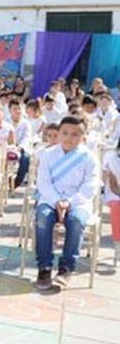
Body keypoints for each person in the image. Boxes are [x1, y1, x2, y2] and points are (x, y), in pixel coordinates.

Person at [33, 116, 99, 290]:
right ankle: (44, 266)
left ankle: (66, 268)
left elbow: (90, 186)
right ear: (58, 134)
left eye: (75, 134)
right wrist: (57, 201)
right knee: (42, 218)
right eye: (65, 133)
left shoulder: (89, 157)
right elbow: (43, 182)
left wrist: (68, 203)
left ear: (83, 137)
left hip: (77, 202)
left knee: (76, 221)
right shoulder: (48, 154)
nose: (69, 138)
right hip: (50, 199)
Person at [103, 136, 120, 259]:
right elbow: (113, 185)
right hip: (115, 194)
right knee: (117, 207)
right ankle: (118, 242)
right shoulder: (113, 159)